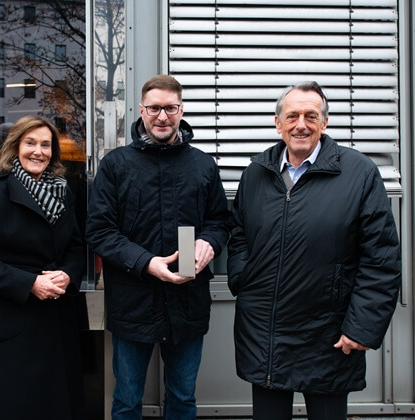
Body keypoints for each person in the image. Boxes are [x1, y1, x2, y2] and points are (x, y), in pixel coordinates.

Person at [227, 81, 401, 420]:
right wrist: (242, 278)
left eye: (311, 116)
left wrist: (362, 326)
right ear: (278, 123)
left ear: (324, 122)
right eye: (292, 116)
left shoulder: (359, 173)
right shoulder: (257, 173)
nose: (301, 124)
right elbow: (239, 235)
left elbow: (380, 258)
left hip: (329, 335)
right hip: (265, 333)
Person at [86, 74, 230, 419]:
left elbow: (221, 221)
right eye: (154, 109)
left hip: (187, 301)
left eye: (170, 108)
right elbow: (99, 231)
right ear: (141, 110)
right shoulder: (116, 164)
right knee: (126, 400)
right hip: (133, 301)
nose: (162, 117)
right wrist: (147, 262)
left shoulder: (203, 164)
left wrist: (209, 243)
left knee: (182, 398)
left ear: (181, 110)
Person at [0, 115, 86, 419]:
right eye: (30, 143)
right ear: (15, 148)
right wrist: (30, 283)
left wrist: (68, 274)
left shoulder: (62, 191)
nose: (38, 151)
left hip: (57, 320)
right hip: (10, 324)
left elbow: (76, 248)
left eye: (45, 145)